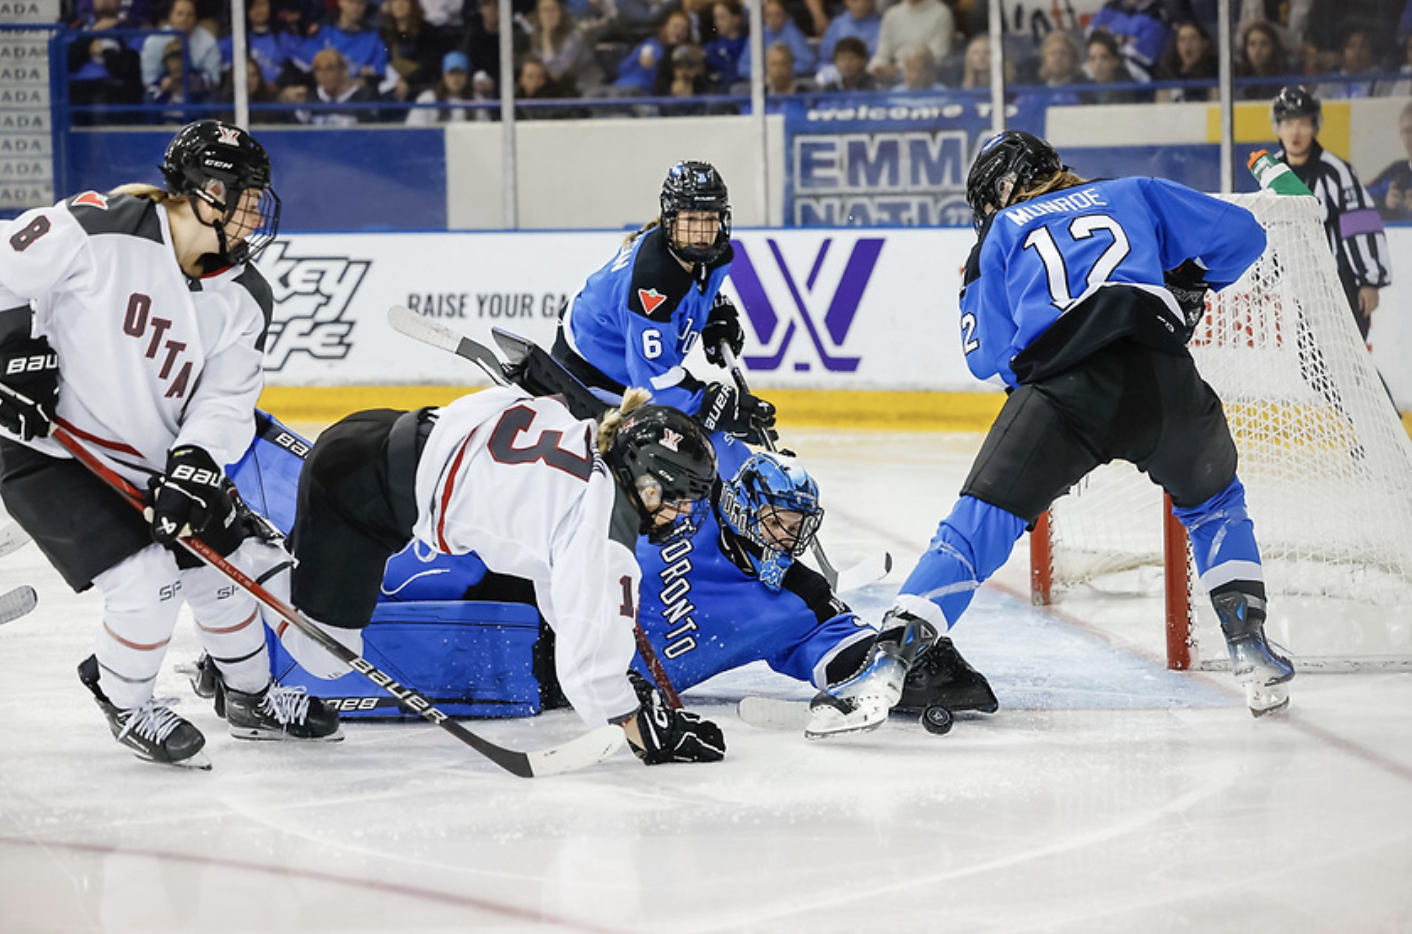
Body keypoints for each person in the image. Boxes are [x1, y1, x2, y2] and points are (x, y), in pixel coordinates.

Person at [812, 129, 1296, 735]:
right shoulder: (1133, 191)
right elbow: (1245, 237)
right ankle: (1250, 648)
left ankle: (887, 665)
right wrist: (1191, 282)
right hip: (1163, 377)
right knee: (1217, 505)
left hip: (1063, 395)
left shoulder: (997, 236)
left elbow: (984, 358)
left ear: (1005, 188)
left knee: (967, 537)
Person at [0, 120, 340, 770]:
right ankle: (122, 695)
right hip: (50, 451)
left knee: (224, 567)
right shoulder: (104, 226)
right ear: (204, 192)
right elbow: (4, 265)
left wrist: (198, 461)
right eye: (244, 195)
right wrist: (13, 345)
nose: (253, 213)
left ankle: (251, 698)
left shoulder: (245, 296)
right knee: (149, 582)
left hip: (152, 462)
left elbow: (225, 397)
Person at [284, 386, 728, 766]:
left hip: (369, 436)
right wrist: (643, 729)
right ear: (649, 483)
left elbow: (559, 585)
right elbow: (587, 676)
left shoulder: (584, 432)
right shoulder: (600, 526)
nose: (682, 512)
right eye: (680, 497)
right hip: (360, 498)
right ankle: (254, 565)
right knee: (326, 657)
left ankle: (277, 574)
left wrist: (616, 674)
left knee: (319, 597)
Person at [550, 161, 776, 481]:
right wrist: (712, 405)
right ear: (670, 220)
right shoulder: (652, 281)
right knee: (700, 455)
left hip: (624, 361)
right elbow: (652, 383)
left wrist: (712, 311)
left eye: (710, 218)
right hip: (591, 374)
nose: (701, 232)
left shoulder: (713, 255)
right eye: (691, 219)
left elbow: (692, 289)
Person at [1271, 86, 1391, 339]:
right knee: (1309, 367)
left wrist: (1368, 282)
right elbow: (1267, 230)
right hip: (1296, 287)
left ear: (1315, 127)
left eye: (1303, 123)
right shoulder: (1271, 172)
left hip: (1341, 283)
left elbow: (1360, 224)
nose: (1295, 132)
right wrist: (1263, 277)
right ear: (1278, 128)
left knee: (1346, 363)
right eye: (1288, 123)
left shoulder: (1336, 171)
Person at [868, 0, 954, 86]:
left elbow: (938, 55)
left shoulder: (941, 13)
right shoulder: (891, 14)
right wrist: (877, 68)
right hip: (892, 76)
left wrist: (898, 69)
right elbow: (882, 54)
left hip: (926, 77)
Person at [1368, 100, 1412, 221]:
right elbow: (1362, 200)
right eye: (1407, 131)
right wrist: (1385, 204)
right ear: (1401, 134)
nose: (1411, 137)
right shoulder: (1395, 172)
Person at [1155, 20, 1217, 101]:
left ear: (1204, 43)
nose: (1187, 44)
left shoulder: (1215, 72)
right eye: (1182, 39)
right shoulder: (1167, 74)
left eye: (1193, 38)